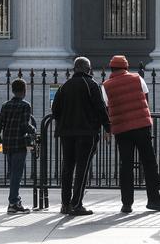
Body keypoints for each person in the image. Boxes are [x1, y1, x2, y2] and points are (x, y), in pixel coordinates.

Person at [101, 54, 160, 213]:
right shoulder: (137, 78)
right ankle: (154, 199)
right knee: (149, 163)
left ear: (112, 68)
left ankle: (127, 203)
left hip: (121, 129)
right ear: (126, 67)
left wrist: (110, 127)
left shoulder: (106, 85)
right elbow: (145, 100)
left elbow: (107, 107)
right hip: (141, 126)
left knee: (126, 165)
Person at [51, 56, 110, 215]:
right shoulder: (92, 85)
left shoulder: (64, 87)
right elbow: (101, 109)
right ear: (88, 69)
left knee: (67, 168)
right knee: (82, 168)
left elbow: (55, 110)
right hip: (86, 133)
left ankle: (65, 204)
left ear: (74, 69)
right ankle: (76, 204)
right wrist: (107, 127)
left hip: (66, 133)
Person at [0, 78, 37, 214]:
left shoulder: (5, 105)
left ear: (12, 90)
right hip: (19, 143)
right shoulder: (25, 105)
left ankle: (14, 200)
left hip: (7, 142)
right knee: (17, 174)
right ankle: (13, 202)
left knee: (13, 172)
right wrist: (33, 129)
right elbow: (24, 125)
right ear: (24, 91)